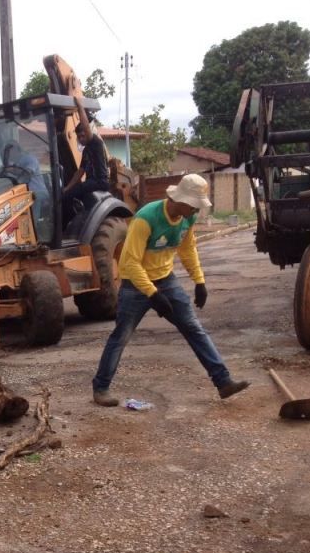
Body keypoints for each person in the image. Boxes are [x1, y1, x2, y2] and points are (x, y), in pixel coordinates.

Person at [91, 173, 250, 406]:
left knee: (194, 329)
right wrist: (152, 294)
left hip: (166, 280)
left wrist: (199, 281)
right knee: (121, 337)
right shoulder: (146, 219)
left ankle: (223, 382)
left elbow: (187, 249)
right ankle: (101, 388)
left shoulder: (187, 219)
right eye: (194, 206)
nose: (196, 211)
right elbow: (129, 263)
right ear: (182, 201)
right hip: (135, 284)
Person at [61, 79, 110, 229]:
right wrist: (66, 188)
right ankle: (76, 218)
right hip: (91, 182)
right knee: (69, 194)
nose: (81, 138)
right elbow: (79, 172)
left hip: (100, 181)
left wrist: (79, 106)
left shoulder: (94, 143)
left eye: (82, 135)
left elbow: (87, 130)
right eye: (79, 136)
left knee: (73, 193)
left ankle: (71, 223)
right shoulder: (87, 151)